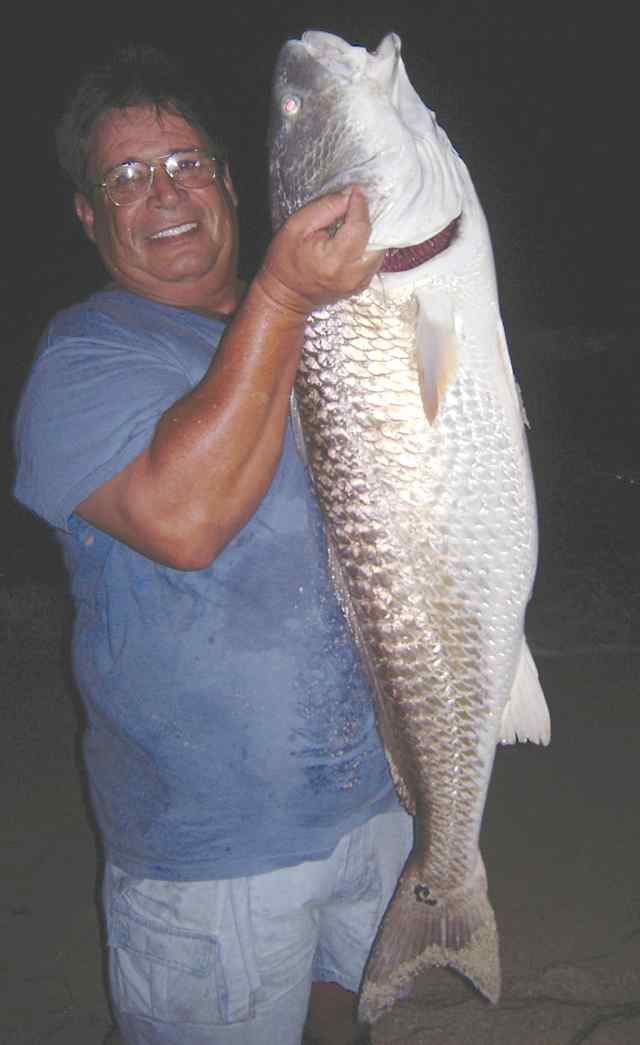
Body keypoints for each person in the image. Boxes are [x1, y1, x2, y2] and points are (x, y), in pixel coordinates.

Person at [13, 45, 413, 1045]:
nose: (166, 192)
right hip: (213, 854)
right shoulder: (83, 358)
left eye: (186, 162)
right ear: (88, 213)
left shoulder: (331, 327)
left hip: (384, 800)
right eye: (127, 177)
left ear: (231, 181)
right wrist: (281, 295)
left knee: (346, 1024)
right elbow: (185, 523)